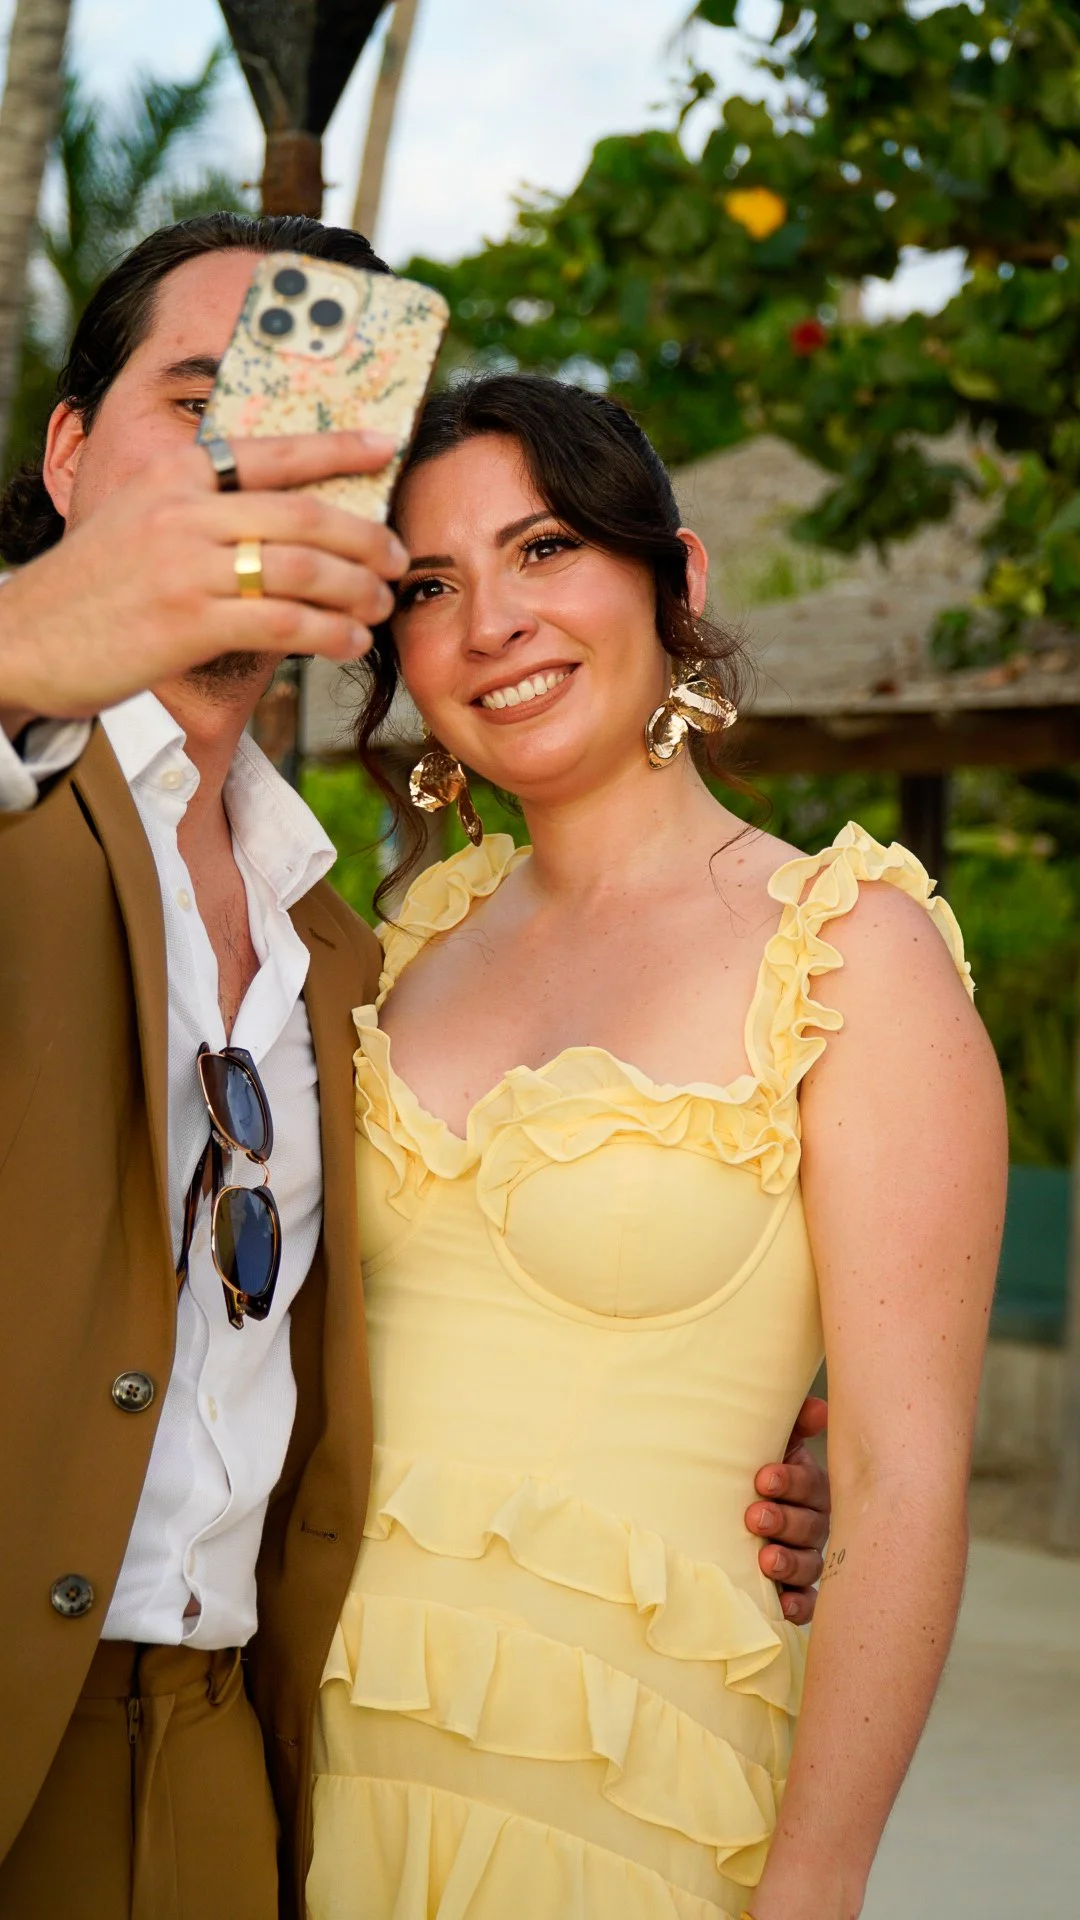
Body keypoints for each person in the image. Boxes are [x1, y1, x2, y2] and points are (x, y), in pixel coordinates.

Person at [0, 216, 828, 1920]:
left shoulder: (346, 952)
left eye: (312, 441)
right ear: (69, 455)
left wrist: (731, 1434)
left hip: (243, 1763)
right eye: (195, 412)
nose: (248, 471)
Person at [306, 373, 1008, 1920]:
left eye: (545, 549)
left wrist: (815, 1888)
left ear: (674, 579)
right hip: (311, 1788)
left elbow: (897, 1480)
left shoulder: (852, 954)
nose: (492, 623)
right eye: (430, 584)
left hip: (635, 1818)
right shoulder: (398, 950)